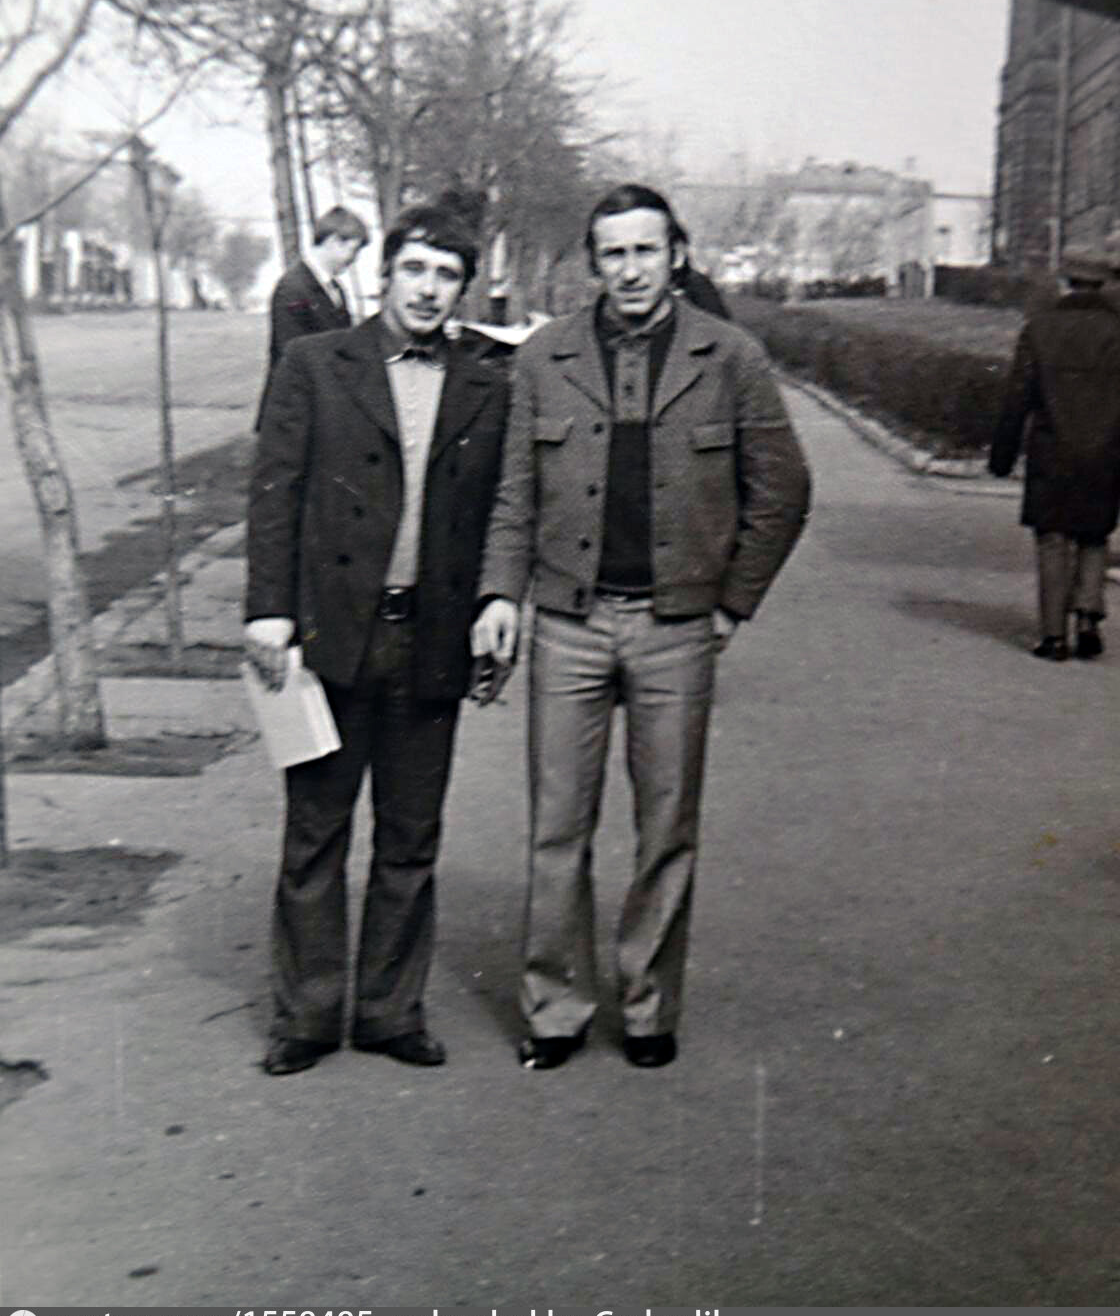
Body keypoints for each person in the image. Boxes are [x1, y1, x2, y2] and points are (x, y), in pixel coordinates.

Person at [472, 183, 811, 1071]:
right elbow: (513, 494)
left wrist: (731, 601)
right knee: (557, 826)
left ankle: (649, 1007)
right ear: (594, 262)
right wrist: (500, 594)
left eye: (646, 250)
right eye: (614, 253)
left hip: (675, 628)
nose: (630, 269)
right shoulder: (543, 356)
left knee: (666, 827)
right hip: (568, 623)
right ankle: (554, 1009)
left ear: (677, 255)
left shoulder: (730, 356)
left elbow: (783, 489)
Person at [245, 202, 510, 1075]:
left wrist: (495, 604)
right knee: (316, 831)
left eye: (447, 275)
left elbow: (500, 511)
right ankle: (309, 1013)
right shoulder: (316, 364)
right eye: (415, 270)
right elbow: (274, 491)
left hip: (430, 635)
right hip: (331, 634)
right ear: (385, 272)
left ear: (462, 289)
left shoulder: (487, 383)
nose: (429, 289)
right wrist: (268, 610)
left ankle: (391, 1010)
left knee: (410, 835)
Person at [989, 241, 1120, 662]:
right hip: (1107, 450)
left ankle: (1053, 637)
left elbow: (1018, 397)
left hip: (1052, 449)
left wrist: (1002, 454)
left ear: (1065, 279)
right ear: (1103, 283)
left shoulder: (1040, 328)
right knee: (1094, 533)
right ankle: (1088, 615)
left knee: (1052, 537)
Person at [255, 205, 370, 425]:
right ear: (333, 241)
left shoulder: (336, 289)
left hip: (323, 408)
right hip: (293, 414)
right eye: (354, 250)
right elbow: (293, 357)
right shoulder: (293, 288)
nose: (354, 259)